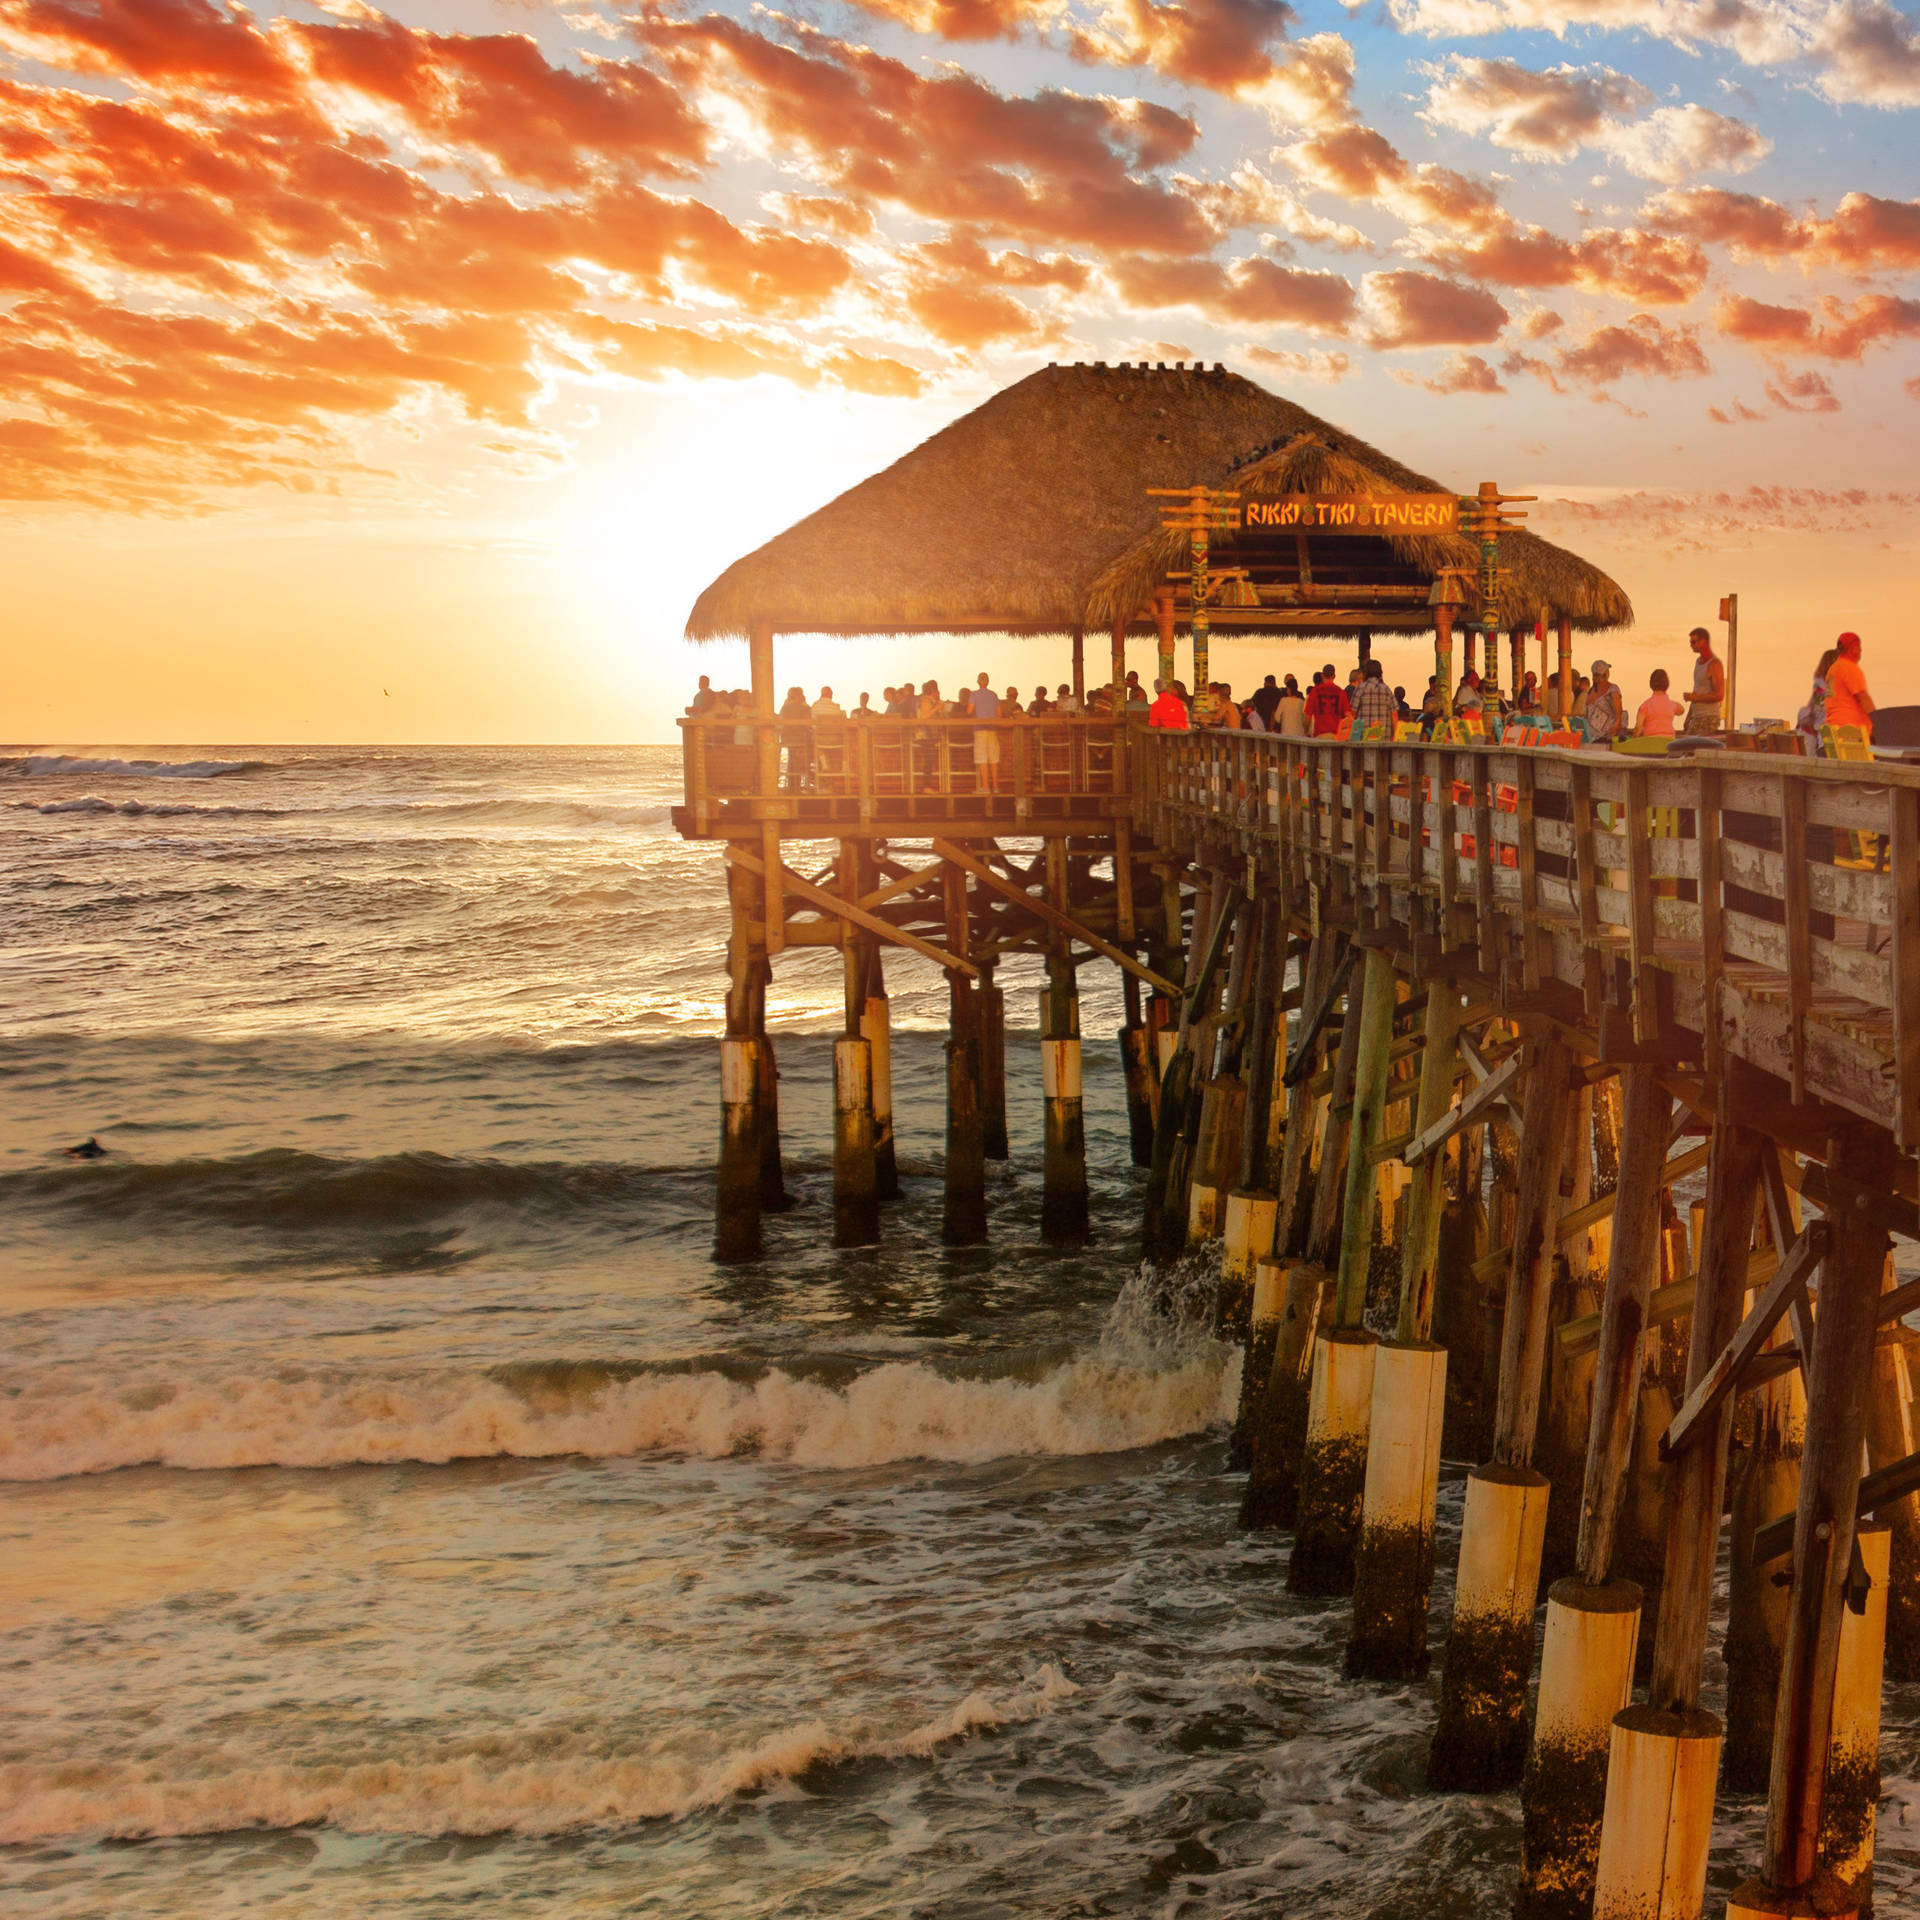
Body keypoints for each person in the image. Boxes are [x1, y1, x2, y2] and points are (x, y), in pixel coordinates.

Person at [1824, 631, 1875, 740]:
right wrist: (1879, 722)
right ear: (1854, 648)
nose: (1861, 650)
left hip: (1833, 729)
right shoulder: (1849, 668)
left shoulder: (1833, 669)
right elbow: (1863, 699)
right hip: (1852, 732)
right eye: (1859, 646)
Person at [1683, 626, 1725, 733]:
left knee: (1695, 747)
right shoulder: (1698, 662)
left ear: (1703, 642)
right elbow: (1697, 690)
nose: (1691, 645)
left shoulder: (1714, 664)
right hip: (1696, 716)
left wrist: (1696, 698)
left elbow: (1719, 694)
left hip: (1708, 717)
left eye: (1693, 642)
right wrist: (1689, 716)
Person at [1797, 647, 1839, 746]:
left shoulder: (1819, 684)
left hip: (1817, 726)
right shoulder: (1833, 684)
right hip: (1826, 729)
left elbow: (1813, 706)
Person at [779, 685, 813, 790]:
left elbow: (780, 723)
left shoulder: (784, 708)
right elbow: (809, 724)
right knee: (810, 750)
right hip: (800, 739)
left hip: (786, 738)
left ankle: (792, 784)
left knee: (792, 757)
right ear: (799, 695)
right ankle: (809, 779)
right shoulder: (804, 708)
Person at [1350, 658, 1395, 735]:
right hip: (1384, 737)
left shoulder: (1360, 689)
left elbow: (1352, 714)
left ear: (1365, 672)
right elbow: (1394, 714)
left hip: (1364, 737)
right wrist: (1393, 735)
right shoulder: (1387, 690)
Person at [1584, 660, 1624, 745]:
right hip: (1606, 736)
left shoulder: (1590, 691)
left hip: (1591, 736)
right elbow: (1619, 715)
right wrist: (1616, 728)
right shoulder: (1613, 689)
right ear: (1606, 673)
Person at [1635, 668, 1682, 739]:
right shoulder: (1672, 705)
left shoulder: (1645, 706)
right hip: (1668, 742)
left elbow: (1639, 727)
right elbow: (1681, 711)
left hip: (1650, 742)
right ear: (1667, 684)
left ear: (1651, 685)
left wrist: (1635, 737)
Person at [1305, 665, 1349, 736]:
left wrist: (1306, 731)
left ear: (1322, 675)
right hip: (1336, 736)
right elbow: (1348, 716)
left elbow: (1308, 717)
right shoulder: (1341, 692)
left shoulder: (1314, 692)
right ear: (1334, 676)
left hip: (1320, 735)